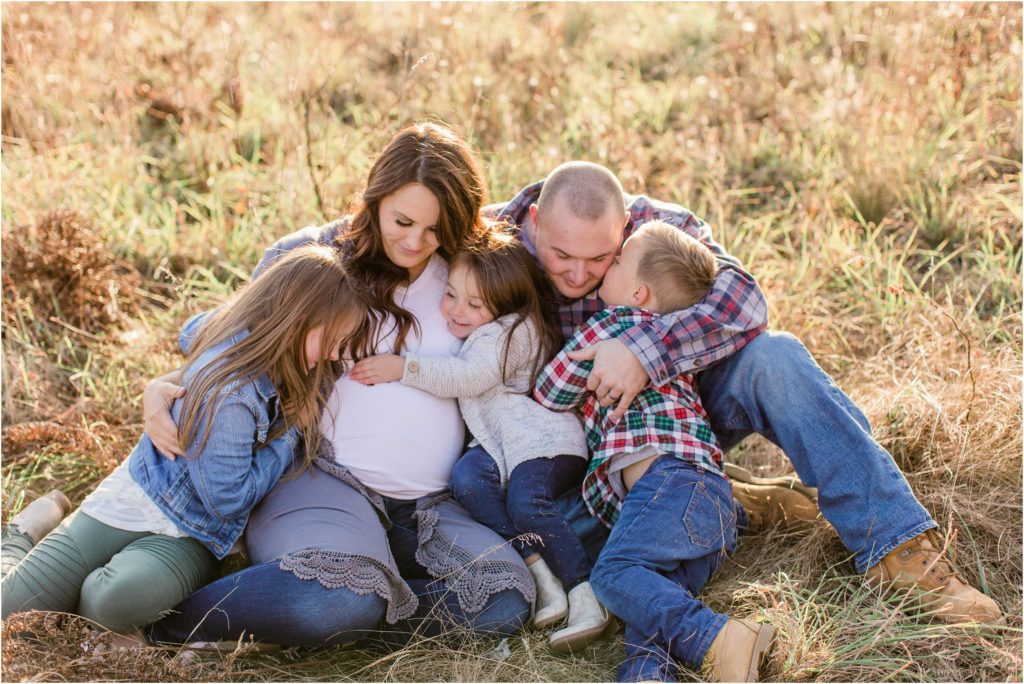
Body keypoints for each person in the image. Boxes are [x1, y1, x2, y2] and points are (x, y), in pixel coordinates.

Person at [488, 161, 1003, 630]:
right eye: (561, 256)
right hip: (587, 456)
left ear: (623, 227)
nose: (578, 275)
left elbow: (743, 299)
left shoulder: (655, 226)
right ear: (535, 222)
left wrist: (643, 351)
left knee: (773, 359)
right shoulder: (492, 243)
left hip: (680, 410)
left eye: (599, 258)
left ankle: (899, 548)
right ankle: (733, 505)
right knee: (545, 537)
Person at [141, 122, 535, 648]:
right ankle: (172, 624)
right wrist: (163, 385)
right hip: (322, 479)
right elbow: (230, 345)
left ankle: (353, 611)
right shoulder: (322, 263)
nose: (416, 242)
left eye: (436, 230)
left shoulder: (471, 275)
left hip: (431, 503)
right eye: (402, 221)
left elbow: (568, 216)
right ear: (375, 197)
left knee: (503, 599)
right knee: (332, 598)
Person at [1, 244, 370, 639]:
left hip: (193, 531)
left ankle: (92, 576)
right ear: (293, 320)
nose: (335, 354)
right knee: (9, 612)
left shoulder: (280, 352)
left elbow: (190, 328)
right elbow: (229, 500)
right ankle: (22, 534)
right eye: (330, 339)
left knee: (107, 603)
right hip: (140, 493)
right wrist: (293, 432)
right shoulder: (232, 395)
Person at [535, 220, 774, 682]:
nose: (612, 263)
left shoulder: (612, 325)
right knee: (652, 597)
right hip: (707, 496)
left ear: (638, 293)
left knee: (614, 575)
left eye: (618, 260)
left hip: (671, 485)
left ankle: (720, 639)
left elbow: (550, 391)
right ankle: (647, 675)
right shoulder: (674, 341)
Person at [348, 230, 610, 652]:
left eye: (474, 304)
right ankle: (538, 570)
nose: (456, 310)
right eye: (451, 294)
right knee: (467, 480)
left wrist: (403, 367)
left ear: (504, 305)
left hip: (543, 443)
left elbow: (471, 376)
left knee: (528, 502)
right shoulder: (485, 328)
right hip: (500, 446)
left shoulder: (513, 329)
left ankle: (583, 593)